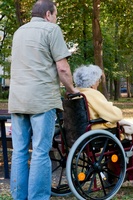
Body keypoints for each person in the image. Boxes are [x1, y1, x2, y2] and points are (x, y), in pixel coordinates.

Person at [8, 0, 79, 199]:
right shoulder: (51, 30)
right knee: (40, 151)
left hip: (18, 100)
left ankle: (18, 196)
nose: (55, 19)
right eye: (55, 15)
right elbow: (63, 68)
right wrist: (72, 89)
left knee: (20, 152)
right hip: (42, 100)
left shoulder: (18, 32)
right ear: (48, 14)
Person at [73, 64, 133, 182]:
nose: (98, 83)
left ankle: (118, 171)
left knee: (129, 128)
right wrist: (114, 109)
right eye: (97, 80)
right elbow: (115, 115)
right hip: (98, 130)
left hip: (80, 131)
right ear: (91, 82)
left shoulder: (75, 94)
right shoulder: (91, 93)